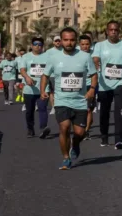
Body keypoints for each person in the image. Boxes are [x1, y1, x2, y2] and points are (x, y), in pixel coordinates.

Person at [40, 28, 97, 170]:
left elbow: (93, 74)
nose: (69, 43)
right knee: (64, 127)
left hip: (80, 101)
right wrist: (42, 91)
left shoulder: (85, 57)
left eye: (72, 40)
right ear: (61, 41)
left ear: (76, 41)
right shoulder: (54, 58)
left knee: (80, 133)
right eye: (66, 40)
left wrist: (91, 89)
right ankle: (66, 158)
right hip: (62, 100)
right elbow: (45, 75)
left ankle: (75, 143)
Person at [91, 21, 122, 149]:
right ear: (107, 31)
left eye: (116, 30)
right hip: (104, 84)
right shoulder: (100, 45)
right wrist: (96, 64)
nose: (113, 32)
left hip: (120, 82)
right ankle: (104, 137)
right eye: (111, 30)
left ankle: (119, 140)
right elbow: (95, 59)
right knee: (104, 111)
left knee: (119, 110)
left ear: (119, 31)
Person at [20, 37, 50, 138]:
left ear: (42, 46)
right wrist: (27, 78)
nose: (38, 46)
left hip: (44, 88)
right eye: (35, 44)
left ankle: (43, 128)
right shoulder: (25, 57)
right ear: (32, 46)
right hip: (29, 89)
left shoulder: (47, 57)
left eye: (40, 45)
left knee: (42, 108)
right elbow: (22, 70)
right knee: (29, 111)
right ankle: (30, 129)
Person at [78, 34, 97, 139]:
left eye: (87, 44)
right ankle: (80, 127)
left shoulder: (95, 55)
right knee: (78, 109)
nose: (85, 46)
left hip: (90, 84)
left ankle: (86, 131)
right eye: (83, 44)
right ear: (79, 45)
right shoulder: (75, 55)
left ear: (90, 44)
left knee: (89, 109)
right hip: (77, 85)